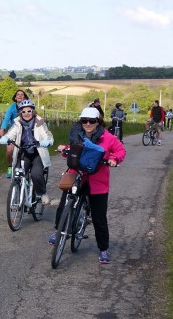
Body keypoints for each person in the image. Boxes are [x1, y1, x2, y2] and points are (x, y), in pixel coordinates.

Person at [50, 107, 126, 264]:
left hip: (98, 179)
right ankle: (60, 232)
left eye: (92, 121)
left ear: (98, 122)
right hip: (76, 174)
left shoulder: (108, 137)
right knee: (64, 203)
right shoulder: (76, 134)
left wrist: (113, 159)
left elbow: (120, 150)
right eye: (84, 120)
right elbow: (73, 148)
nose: (88, 124)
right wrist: (64, 149)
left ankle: (103, 249)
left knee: (99, 216)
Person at [0, 99, 53, 204]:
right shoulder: (17, 123)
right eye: (23, 111)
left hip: (38, 153)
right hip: (24, 152)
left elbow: (47, 135)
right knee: (17, 173)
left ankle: (42, 193)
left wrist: (47, 141)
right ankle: (20, 193)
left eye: (29, 111)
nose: (26, 113)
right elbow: (11, 133)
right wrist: (5, 138)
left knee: (36, 174)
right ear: (20, 113)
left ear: (33, 111)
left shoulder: (39, 122)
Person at [0, 89, 29, 178]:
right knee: (9, 150)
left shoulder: (28, 107)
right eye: (18, 94)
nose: (19, 96)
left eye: (22, 94)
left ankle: (25, 170)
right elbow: (6, 118)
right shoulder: (12, 107)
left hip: (25, 133)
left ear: (25, 97)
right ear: (15, 98)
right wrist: (2, 129)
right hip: (13, 132)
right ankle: (10, 166)